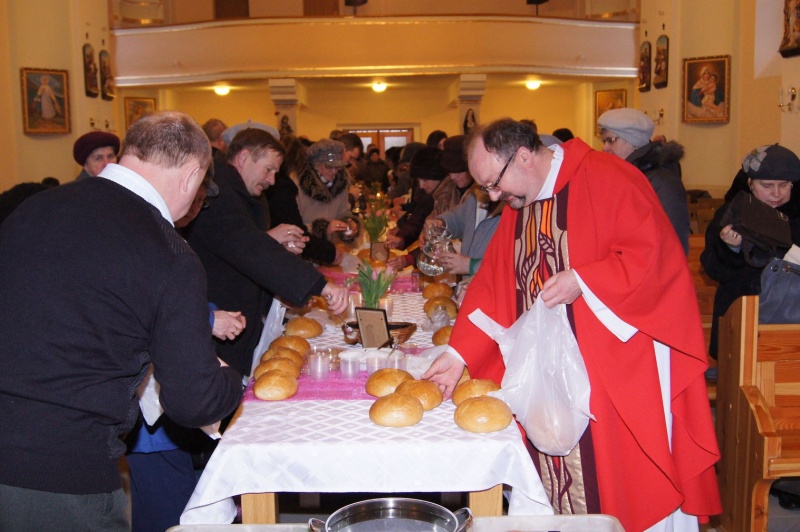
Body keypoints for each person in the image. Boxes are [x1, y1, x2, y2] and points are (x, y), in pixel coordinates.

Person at [422, 118, 721, 531]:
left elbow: (656, 259)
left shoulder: (608, 177)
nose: (492, 197)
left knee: (623, 479)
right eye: (485, 188)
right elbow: (493, 285)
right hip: (550, 375)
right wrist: (458, 354)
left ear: (524, 156)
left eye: (494, 183)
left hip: (615, 366)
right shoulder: (518, 201)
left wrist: (585, 279)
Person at [0, 111, 243, 531]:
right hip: (61, 471)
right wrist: (229, 379)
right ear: (190, 176)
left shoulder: (35, 206)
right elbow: (193, 402)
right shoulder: (167, 252)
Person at [185, 128, 348, 377]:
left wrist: (274, 243)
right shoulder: (219, 193)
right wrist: (319, 285)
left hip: (239, 309)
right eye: (269, 169)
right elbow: (248, 248)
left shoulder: (241, 191)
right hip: (221, 310)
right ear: (244, 158)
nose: (272, 180)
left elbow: (245, 245)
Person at [701, 144, 800, 359]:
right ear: (750, 184)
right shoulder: (731, 214)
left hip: (790, 321)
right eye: (767, 185)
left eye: (784, 185)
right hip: (740, 316)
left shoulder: (796, 216)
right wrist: (732, 248)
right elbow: (714, 270)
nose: (776, 193)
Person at [597, 108, 691, 254]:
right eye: (604, 141)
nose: (605, 148)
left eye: (611, 140)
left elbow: (672, 241)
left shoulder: (663, 182)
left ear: (632, 141)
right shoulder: (623, 175)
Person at [295, 138, 361, 246]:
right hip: (304, 250)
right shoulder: (298, 185)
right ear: (315, 164)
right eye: (329, 166)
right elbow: (292, 227)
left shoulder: (341, 183)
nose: (334, 171)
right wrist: (323, 229)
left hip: (330, 249)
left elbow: (343, 212)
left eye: (338, 167)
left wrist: (348, 224)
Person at [386, 146, 446, 250]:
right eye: (419, 181)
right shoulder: (427, 194)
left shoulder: (448, 196)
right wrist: (401, 237)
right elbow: (417, 217)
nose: (421, 185)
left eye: (425, 180)